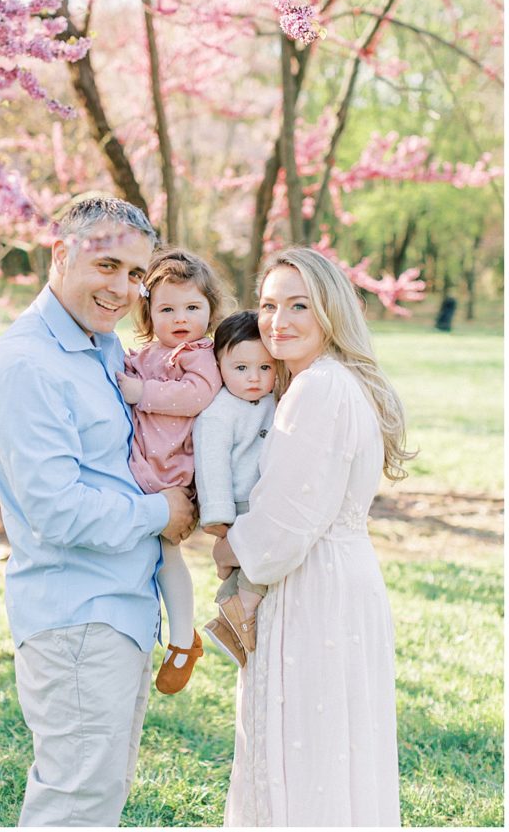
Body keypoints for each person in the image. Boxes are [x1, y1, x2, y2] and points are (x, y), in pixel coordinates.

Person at [0, 197, 196, 828]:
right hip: (76, 616)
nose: (122, 289)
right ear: (61, 253)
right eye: (107, 265)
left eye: (135, 275)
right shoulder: (28, 364)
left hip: (120, 607)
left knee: (99, 794)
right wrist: (161, 511)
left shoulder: (99, 347)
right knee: (74, 801)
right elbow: (56, 509)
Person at [213, 246, 414, 827]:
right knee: (335, 748)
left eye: (299, 304)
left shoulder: (318, 388)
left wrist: (227, 548)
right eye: (269, 305)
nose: (279, 321)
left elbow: (283, 525)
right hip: (342, 580)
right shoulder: (335, 381)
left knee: (301, 752)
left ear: (331, 310)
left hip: (313, 588)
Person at [116, 247, 225, 694]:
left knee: (168, 555)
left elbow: (195, 396)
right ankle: (164, 633)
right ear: (148, 313)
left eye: (192, 308)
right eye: (167, 309)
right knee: (154, 556)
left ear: (210, 311)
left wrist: (142, 392)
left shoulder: (200, 355)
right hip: (143, 468)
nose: (181, 318)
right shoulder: (147, 354)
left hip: (172, 473)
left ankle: (183, 639)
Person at [192, 310, 277, 666]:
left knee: (250, 570)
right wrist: (217, 516)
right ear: (219, 366)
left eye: (265, 368)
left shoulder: (277, 401)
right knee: (257, 566)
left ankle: (231, 622)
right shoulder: (218, 413)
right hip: (240, 504)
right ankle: (241, 614)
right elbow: (211, 466)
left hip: (268, 499)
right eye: (240, 368)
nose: (254, 379)